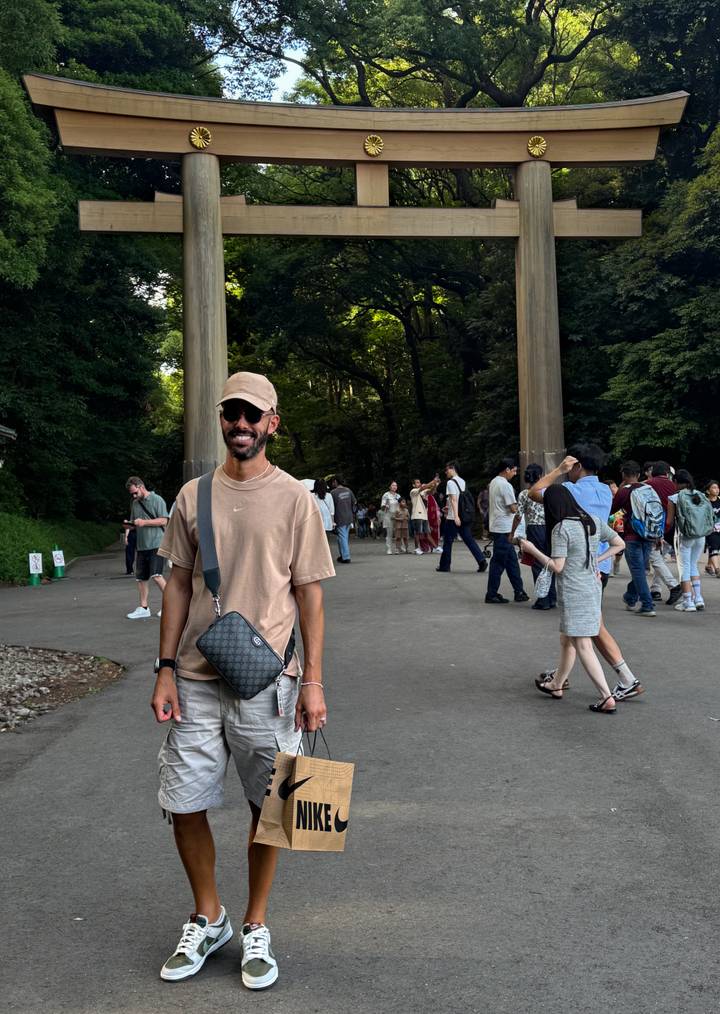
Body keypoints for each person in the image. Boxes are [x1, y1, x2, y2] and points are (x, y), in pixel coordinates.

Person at [151, 370, 334, 989]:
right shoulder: (191, 495)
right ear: (221, 420)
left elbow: (310, 596)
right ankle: (210, 916)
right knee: (184, 801)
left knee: (275, 805)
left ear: (272, 424)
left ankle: (256, 922)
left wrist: (313, 682)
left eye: (252, 415)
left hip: (272, 681)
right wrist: (165, 669)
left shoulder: (295, 500)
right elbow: (177, 581)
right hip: (198, 678)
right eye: (231, 414)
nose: (241, 425)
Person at [530, 452, 645, 702]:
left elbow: (535, 491)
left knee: (592, 629)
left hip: (576, 569)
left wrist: (559, 469)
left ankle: (626, 679)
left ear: (578, 466)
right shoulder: (605, 490)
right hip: (596, 566)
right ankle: (559, 678)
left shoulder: (569, 490)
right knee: (575, 629)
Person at [520, 484, 624, 713]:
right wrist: (598, 559)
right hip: (593, 587)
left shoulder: (561, 528)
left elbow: (558, 566)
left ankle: (606, 697)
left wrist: (532, 549)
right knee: (567, 639)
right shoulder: (593, 521)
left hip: (574, 591)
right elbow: (619, 543)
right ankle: (556, 685)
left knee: (583, 644)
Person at [611, 461, 657, 617]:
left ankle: (647, 605)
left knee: (638, 571)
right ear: (639, 475)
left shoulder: (624, 492)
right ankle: (630, 597)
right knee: (640, 571)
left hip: (632, 535)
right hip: (649, 534)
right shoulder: (649, 489)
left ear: (623, 475)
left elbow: (612, 509)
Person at [667, 469, 713, 612]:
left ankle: (688, 601)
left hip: (685, 536)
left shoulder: (674, 498)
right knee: (693, 565)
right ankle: (698, 598)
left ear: (676, 482)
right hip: (701, 535)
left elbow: (669, 522)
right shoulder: (700, 495)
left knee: (684, 567)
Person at [125, 476, 169, 619]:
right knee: (141, 578)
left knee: (156, 576)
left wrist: (144, 523)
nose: (134, 496)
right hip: (142, 544)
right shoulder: (135, 503)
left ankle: (173, 606)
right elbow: (134, 522)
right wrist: (128, 528)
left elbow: (164, 520)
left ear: (141, 487)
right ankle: (144, 607)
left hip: (157, 543)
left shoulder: (157, 500)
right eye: (132, 494)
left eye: (135, 492)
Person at [485, 458, 527, 603]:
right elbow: (513, 508)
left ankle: (519, 591)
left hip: (499, 526)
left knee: (511, 562)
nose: (515, 473)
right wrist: (524, 507)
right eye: (514, 470)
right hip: (504, 528)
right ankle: (491, 594)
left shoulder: (494, 482)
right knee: (498, 562)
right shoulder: (505, 485)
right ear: (507, 469)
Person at [514, 463, 555, 610]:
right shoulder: (548, 491)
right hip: (551, 528)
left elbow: (518, 515)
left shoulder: (525, 493)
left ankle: (542, 600)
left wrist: (512, 533)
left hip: (534, 529)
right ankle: (552, 597)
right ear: (540, 476)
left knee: (538, 564)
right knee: (550, 561)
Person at [436, 461, 489, 574]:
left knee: (448, 541)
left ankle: (445, 566)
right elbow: (459, 499)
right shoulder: (462, 481)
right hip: (464, 515)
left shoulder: (450, 483)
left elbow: (454, 500)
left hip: (453, 517)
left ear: (452, 469)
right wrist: (448, 507)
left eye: (447, 470)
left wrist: (455, 516)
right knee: (469, 539)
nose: (446, 472)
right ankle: (481, 561)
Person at [644, 461, 682, 605]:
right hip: (673, 528)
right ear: (667, 473)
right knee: (659, 559)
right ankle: (656, 589)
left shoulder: (647, 485)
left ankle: (674, 586)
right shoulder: (674, 486)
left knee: (654, 557)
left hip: (655, 527)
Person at [329, 476, 356, 564]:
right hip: (349, 517)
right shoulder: (348, 490)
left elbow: (331, 506)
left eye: (333, 482)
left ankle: (346, 557)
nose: (332, 484)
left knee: (342, 537)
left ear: (336, 482)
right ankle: (343, 555)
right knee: (342, 537)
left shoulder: (333, 493)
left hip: (339, 517)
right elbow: (354, 502)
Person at [410, 477, 438, 554]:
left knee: (427, 533)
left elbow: (432, 492)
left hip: (424, 515)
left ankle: (435, 548)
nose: (419, 483)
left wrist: (435, 485)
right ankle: (416, 548)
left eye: (419, 482)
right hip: (417, 515)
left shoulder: (423, 492)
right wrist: (433, 481)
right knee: (418, 533)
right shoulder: (413, 491)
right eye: (417, 482)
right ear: (413, 485)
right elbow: (423, 487)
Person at [380, 481, 401, 555]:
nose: (394, 487)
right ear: (390, 487)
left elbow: (400, 505)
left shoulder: (398, 496)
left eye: (396, 485)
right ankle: (389, 549)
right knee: (389, 533)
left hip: (397, 516)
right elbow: (382, 507)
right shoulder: (386, 495)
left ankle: (397, 548)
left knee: (397, 533)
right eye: (393, 485)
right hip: (388, 516)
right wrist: (385, 506)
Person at [705, 480, 720, 576]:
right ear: (708, 491)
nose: (717, 490)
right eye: (714, 487)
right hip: (710, 530)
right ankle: (718, 570)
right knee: (714, 548)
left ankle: (709, 566)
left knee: (716, 548)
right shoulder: (705, 503)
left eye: (717, 487)